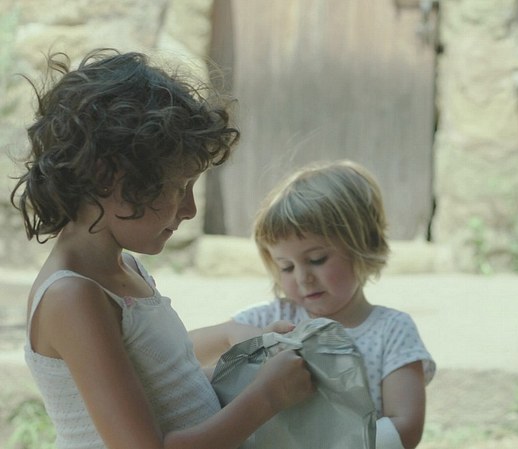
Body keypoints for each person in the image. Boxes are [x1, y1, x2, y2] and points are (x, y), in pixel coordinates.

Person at [10, 49, 314, 449]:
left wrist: (249, 360)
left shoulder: (125, 269)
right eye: (179, 187)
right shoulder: (72, 296)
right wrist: (268, 396)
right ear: (107, 178)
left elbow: (174, 389)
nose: (189, 210)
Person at [190, 160, 436, 449]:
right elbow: (176, 359)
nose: (303, 277)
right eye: (286, 266)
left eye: (317, 260)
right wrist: (229, 333)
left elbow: (406, 426)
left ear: (363, 246)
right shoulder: (266, 320)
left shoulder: (392, 331)